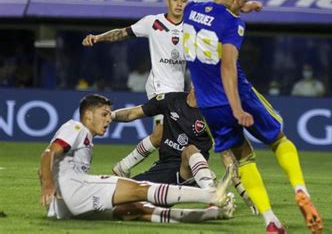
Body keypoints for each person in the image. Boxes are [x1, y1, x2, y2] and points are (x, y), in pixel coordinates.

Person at [182, 0, 323, 234]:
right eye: (242, 0)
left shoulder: (191, 10)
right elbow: (227, 67)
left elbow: (216, 14)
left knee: (244, 159)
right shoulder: (233, 24)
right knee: (279, 140)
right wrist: (237, 109)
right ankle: (300, 191)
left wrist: (243, 7)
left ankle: (271, 221)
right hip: (238, 96)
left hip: (209, 106)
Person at [38, 94, 234, 223]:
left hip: (66, 207)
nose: (108, 119)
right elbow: (48, 154)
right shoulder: (76, 128)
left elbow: (48, 164)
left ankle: (211, 213)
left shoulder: (85, 139)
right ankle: (210, 195)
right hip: (77, 190)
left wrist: (48, 182)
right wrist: (47, 184)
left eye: (109, 115)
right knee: (141, 190)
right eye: (104, 114)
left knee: (137, 211)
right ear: (88, 115)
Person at [82, 0, 188, 175]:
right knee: (160, 134)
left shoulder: (191, 27)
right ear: (167, 2)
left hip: (179, 90)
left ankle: (111, 118)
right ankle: (124, 167)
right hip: (159, 86)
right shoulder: (153, 22)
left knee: (171, 137)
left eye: (183, 0)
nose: (179, 4)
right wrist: (98, 37)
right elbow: (121, 33)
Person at [111, 88, 257, 214]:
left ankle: (212, 192)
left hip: (186, 170)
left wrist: (243, 191)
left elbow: (226, 155)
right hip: (163, 167)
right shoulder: (170, 100)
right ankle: (201, 183)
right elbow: (133, 113)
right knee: (120, 197)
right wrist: (109, 116)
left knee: (189, 149)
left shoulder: (211, 116)